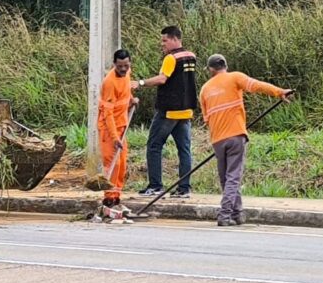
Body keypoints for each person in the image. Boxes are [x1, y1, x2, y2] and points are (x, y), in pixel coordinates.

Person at [199, 54, 293, 227]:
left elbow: (206, 119)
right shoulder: (235, 77)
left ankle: (237, 213)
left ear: (211, 69)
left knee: (225, 178)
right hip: (235, 135)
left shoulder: (205, 89)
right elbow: (257, 86)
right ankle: (225, 214)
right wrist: (280, 92)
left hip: (217, 140)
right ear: (225, 65)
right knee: (233, 177)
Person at [131, 25, 197, 198]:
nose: (162, 44)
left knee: (154, 146)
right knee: (184, 150)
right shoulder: (191, 56)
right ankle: (184, 188)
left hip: (169, 111)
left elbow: (162, 79)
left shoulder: (171, 58)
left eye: (165, 40)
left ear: (175, 39)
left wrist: (141, 83)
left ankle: (155, 186)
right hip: (186, 111)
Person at [99, 49, 138, 207]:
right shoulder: (109, 82)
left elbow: (125, 93)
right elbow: (108, 114)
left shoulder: (127, 73)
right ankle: (109, 199)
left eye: (126, 66)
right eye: (120, 66)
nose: (123, 69)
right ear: (114, 64)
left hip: (122, 126)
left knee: (121, 165)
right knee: (112, 165)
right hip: (109, 130)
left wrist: (131, 101)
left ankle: (117, 197)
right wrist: (115, 138)